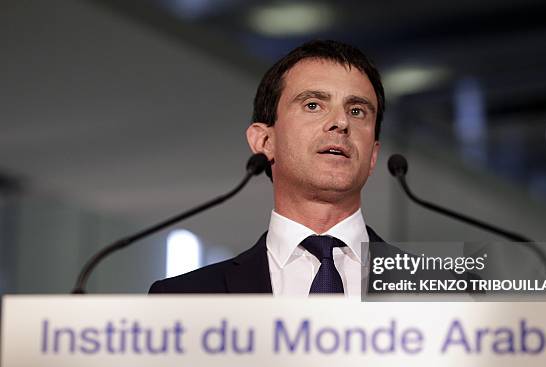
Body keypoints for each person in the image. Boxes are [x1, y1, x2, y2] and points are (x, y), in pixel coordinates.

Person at [149, 39, 386, 296]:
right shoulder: (185, 298)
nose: (340, 122)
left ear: (373, 155)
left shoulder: (432, 286)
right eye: (313, 105)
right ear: (264, 141)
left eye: (357, 111)